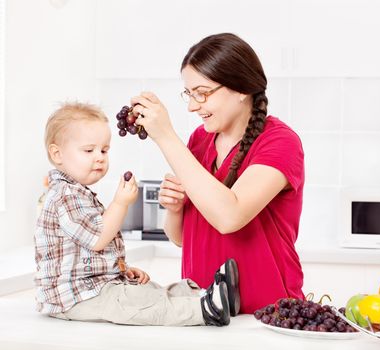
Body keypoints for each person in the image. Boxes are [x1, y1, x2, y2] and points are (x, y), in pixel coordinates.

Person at [130, 33, 305, 314]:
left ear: (241, 89)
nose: (192, 106)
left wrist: (165, 137)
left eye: (203, 92)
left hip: (267, 314)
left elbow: (229, 217)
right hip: (201, 309)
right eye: (189, 93)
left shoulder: (280, 142)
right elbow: (182, 239)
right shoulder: (199, 140)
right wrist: (174, 209)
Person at [34, 101, 239, 327]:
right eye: (89, 150)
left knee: (147, 292)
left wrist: (120, 270)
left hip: (93, 288)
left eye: (104, 150)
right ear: (57, 154)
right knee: (134, 304)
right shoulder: (64, 196)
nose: (100, 157)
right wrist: (120, 203)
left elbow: (88, 256)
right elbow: (98, 239)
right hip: (74, 297)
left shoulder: (77, 193)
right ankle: (205, 310)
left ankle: (203, 294)